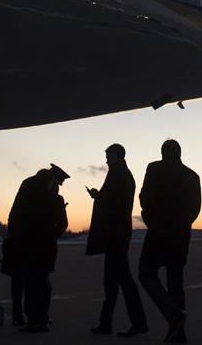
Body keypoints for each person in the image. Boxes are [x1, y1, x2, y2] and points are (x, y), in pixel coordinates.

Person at [138, 139, 201, 344]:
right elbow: (195, 208)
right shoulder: (192, 176)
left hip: (158, 232)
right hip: (180, 235)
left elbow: (144, 197)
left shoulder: (154, 168)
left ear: (163, 152)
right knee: (176, 282)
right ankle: (178, 332)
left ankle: (173, 316)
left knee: (146, 273)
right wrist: (182, 224)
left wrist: (152, 221)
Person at [87, 144, 148, 337]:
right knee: (112, 281)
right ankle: (106, 323)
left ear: (116, 155)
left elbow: (115, 203)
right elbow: (114, 200)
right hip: (116, 234)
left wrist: (100, 197)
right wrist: (100, 196)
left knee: (122, 280)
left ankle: (138, 323)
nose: (105, 159)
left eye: (107, 155)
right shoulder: (120, 174)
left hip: (115, 235)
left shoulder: (119, 174)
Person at [1, 164, 70, 333]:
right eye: (58, 182)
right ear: (52, 179)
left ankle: (35, 318)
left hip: (27, 243)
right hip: (30, 243)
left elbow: (17, 215)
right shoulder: (39, 192)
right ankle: (34, 317)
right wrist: (50, 235)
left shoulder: (38, 190)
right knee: (31, 280)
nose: (58, 186)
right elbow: (60, 223)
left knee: (31, 281)